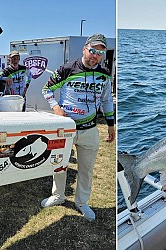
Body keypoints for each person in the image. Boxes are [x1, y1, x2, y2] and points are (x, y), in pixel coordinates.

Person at [41, 33, 115, 221]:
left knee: (86, 169)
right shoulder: (66, 69)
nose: (95, 56)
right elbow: (46, 89)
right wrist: (56, 107)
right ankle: (58, 195)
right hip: (66, 128)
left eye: (100, 52)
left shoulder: (105, 74)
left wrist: (110, 124)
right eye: (92, 50)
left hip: (90, 129)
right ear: (84, 49)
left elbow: (106, 100)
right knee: (59, 164)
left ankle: (81, 202)